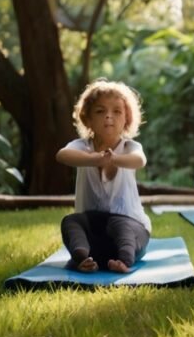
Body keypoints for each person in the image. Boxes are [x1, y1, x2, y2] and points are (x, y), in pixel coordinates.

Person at [56, 79, 151, 274]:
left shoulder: (129, 147)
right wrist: (95, 159)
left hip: (132, 233)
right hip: (95, 240)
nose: (109, 116)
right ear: (88, 119)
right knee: (70, 221)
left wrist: (114, 159)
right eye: (100, 111)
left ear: (127, 119)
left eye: (117, 111)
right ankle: (83, 259)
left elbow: (139, 160)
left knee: (119, 223)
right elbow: (62, 155)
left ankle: (124, 262)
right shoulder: (82, 146)